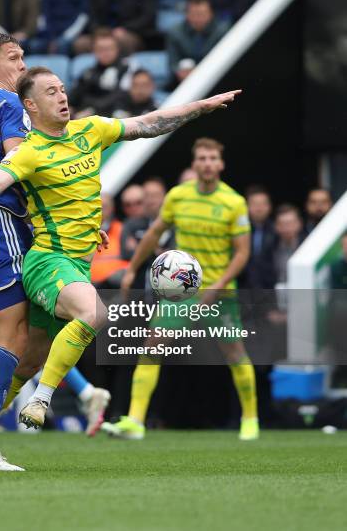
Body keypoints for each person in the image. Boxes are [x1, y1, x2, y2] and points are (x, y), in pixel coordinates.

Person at [0, 67, 242, 440]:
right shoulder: (29, 152)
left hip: (77, 265)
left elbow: (149, 123)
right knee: (94, 313)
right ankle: (42, 399)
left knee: (28, 362)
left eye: (63, 89)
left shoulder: (91, 130)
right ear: (31, 105)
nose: (62, 96)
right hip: (48, 262)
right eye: (51, 92)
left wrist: (201, 106)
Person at [0, 34, 109, 472]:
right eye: (14, 58)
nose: (23, 65)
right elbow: (20, 166)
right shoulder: (9, 103)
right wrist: (68, 216)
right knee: (14, 337)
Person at [102, 137, 259, 441]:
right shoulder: (178, 196)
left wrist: (219, 286)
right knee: (152, 346)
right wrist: (133, 268)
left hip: (220, 292)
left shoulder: (233, 202)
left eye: (212, 158)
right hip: (182, 291)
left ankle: (250, 419)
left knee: (235, 353)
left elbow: (242, 253)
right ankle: (135, 421)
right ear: (194, 163)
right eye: (201, 158)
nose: (207, 163)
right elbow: (154, 233)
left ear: (221, 164)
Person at [166, 0, 229, 86]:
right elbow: (173, 63)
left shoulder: (222, 31)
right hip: (182, 81)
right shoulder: (175, 32)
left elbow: (224, 60)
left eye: (202, 14)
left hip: (214, 78)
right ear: (187, 14)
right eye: (194, 14)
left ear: (211, 14)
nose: (198, 18)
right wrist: (180, 72)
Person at [70, 29, 134, 117]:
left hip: (117, 118)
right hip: (90, 119)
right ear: (94, 51)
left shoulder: (128, 69)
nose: (105, 53)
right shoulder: (88, 73)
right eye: (100, 49)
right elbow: (74, 98)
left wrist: (93, 108)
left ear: (117, 49)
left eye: (109, 48)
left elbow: (122, 97)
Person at [120, 177, 166, 289]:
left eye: (155, 195)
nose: (151, 200)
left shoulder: (174, 224)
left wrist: (141, 248)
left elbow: (175, 258)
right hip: (139, 286)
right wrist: (157, 250)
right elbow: (126, 253)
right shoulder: (131, 224)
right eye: (147, 196)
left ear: (165, 197)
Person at [239, 185, 276, 289]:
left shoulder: (277, 231)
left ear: (270, 206)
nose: (259, 208)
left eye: (263, 204)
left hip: (269, 288)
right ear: (246, 206)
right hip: (243, 287)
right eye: (254, 204)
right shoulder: (239, 230)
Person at [273, 204, 304, 284]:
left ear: (299, 224)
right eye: (283, 224)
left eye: (290, 223)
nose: (287, 228)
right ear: (276, 226)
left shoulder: (308, 247)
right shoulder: (270, 249)